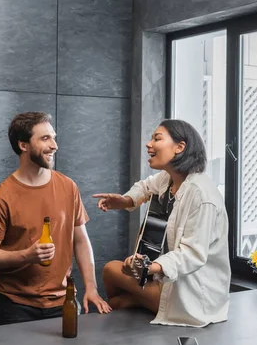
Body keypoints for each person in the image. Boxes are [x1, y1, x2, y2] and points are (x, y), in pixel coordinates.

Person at [93, 119, 231, 327]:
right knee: (110, 270)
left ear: (180, 147)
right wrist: (125, 200)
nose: (149, 144)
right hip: (167, 281)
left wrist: (149, 268)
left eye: (157, 138)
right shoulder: (169, 179)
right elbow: (146, 186)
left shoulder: (202, 195)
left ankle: (133, 301)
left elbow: (192, 254)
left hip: (193, 295)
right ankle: (136, 301)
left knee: (116, 300)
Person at [0, 111, 111, 325]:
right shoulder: (2, 197)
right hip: (16, 305)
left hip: (64, 302)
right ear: (23, 145)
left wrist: (91, 288)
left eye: (54, 137)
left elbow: (80, 241)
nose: (54, 145)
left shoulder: (68, 186)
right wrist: (26, 255)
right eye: (45, 138)